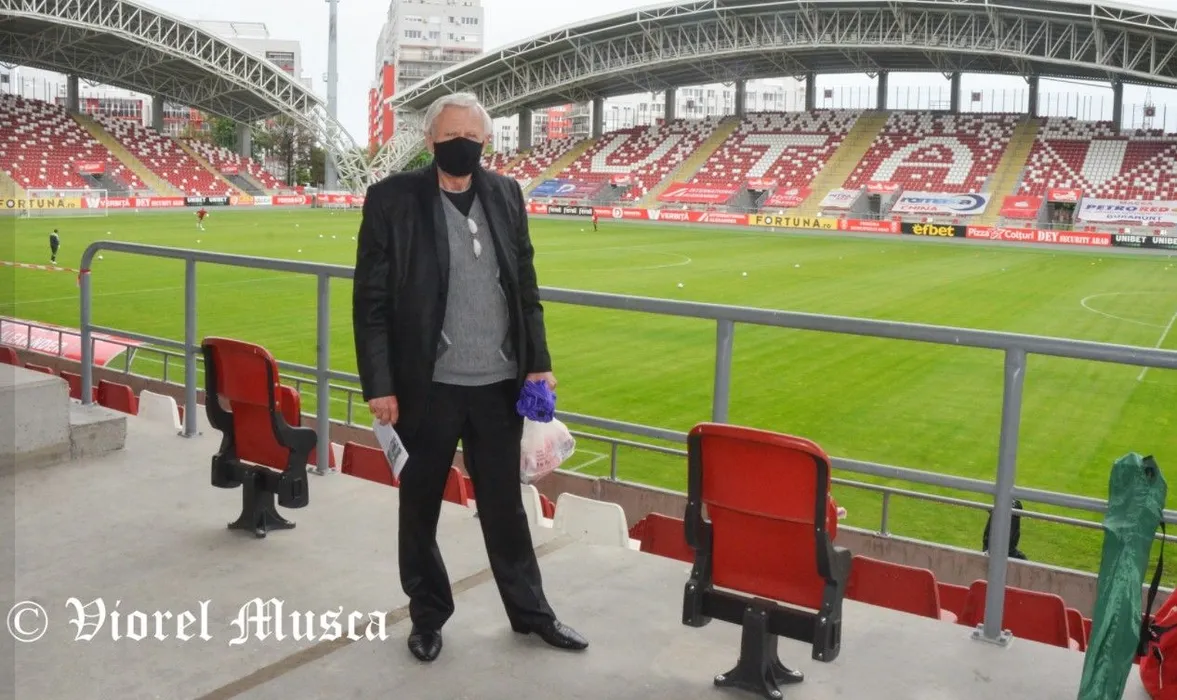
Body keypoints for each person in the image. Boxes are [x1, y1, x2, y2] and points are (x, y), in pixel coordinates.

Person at [352, 92, 587, 663]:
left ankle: (532, 614)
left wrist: (538, 361)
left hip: (499, 384)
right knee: (420, 508)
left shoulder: (506, 193)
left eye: (473, 138)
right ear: (431, 141)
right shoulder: (392, 199)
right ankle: (428, 616)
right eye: (452, 136)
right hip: (426, 386)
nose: (463, 146)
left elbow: (525, 286)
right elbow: (370, 302)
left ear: (485, 142)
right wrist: (379, 384)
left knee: (506, 509)